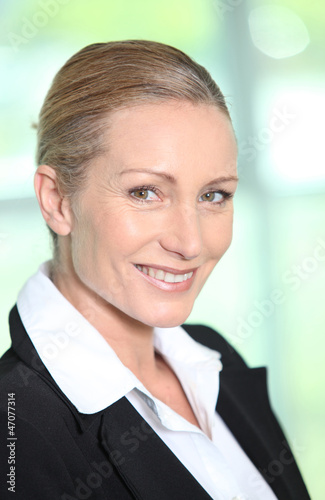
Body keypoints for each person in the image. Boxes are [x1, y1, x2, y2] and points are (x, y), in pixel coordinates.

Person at [0, 40, 309, 500]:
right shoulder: (18, 429)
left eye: (214, 195)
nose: (190, 243)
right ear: (57, 200)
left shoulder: (212, 355)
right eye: (145, 193)